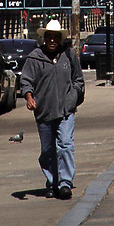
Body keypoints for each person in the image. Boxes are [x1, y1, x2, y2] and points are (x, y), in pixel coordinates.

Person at [20, 19, 85, 201]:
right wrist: (29, 97)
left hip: (66, 110)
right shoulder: (34, 58)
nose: (52, 40)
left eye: (55, 37)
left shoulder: (68, 55)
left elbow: (78, 79)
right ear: (44, 38)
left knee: (65, 145)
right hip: (44, 111)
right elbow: (26, 81)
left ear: (59, 38)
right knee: (48, 150)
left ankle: (65, 184)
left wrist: (73, 96)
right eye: (49, 36)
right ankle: (52, 183)